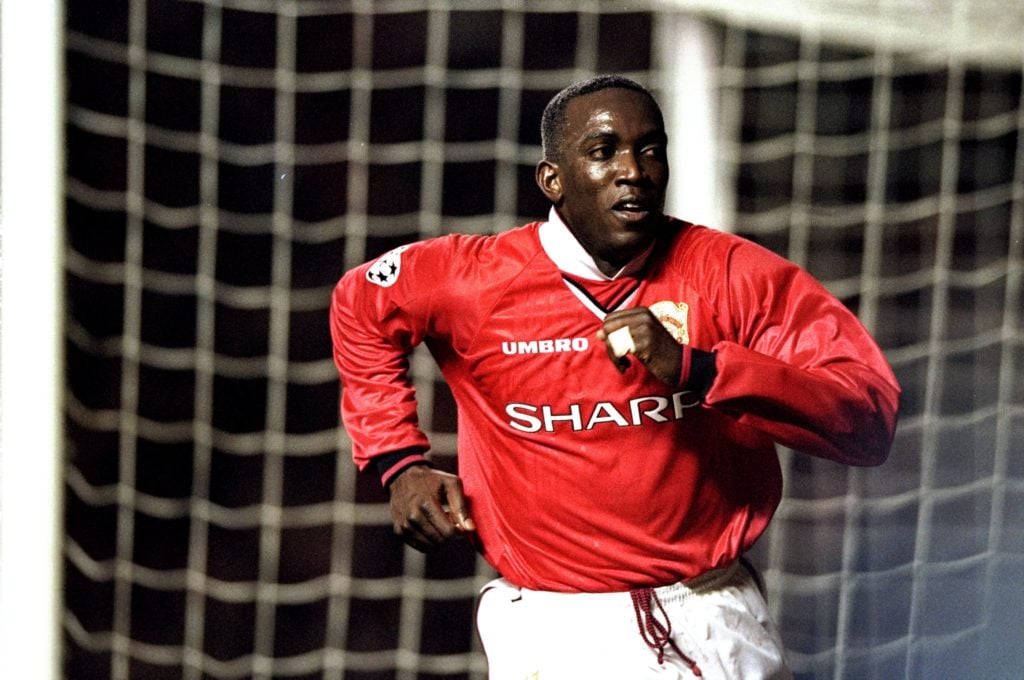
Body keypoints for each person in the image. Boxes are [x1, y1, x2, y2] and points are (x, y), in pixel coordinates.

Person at [330, 75, 900, 679]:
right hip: (556, 632)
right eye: (603, 153)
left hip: (716, 614)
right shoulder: (474, 280)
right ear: (553, 180)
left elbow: (867, 415)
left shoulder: (733, 276)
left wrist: (700, 369)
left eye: (651, 150)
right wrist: (398, 461)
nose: (635, 170)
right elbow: (360, 305)